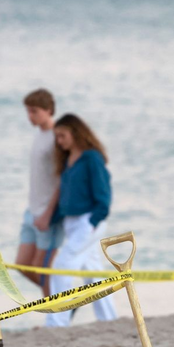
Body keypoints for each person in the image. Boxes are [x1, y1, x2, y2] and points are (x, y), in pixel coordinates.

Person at [44, 113, 118, 328]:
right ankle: (109, 320)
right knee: (93, 274)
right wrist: (51, 219)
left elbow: (103, 195)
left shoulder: (92, 158)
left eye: (62, 135)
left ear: (75, 133)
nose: (59, 141)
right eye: (57, 137)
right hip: (71, 223)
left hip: (88, 221)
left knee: (61, 266)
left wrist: (93, 222)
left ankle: (56, 322)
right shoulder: (68, 161)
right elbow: (68, 197)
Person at [17, 89, 62, 293]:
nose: (30, 116)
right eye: (28, 111)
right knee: (23, 265)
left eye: (34, 111)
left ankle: (55, 320)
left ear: (48, 110)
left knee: (43, 269)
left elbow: (63, 179)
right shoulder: (39, 135)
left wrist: (48, 213)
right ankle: (63, 302)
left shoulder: (56, 138)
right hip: (32, 210)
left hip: (48, 214)